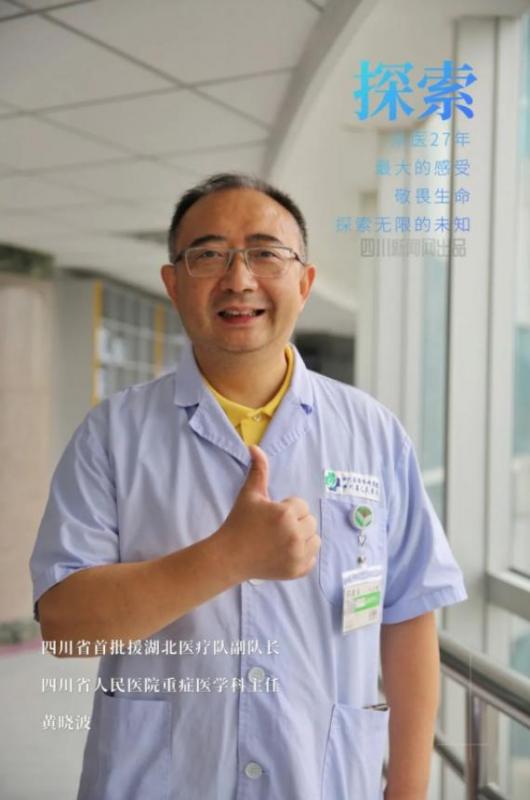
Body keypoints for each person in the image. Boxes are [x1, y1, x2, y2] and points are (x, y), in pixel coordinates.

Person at [30, 172, 467, 800]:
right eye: (209, 255)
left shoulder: (373, 433)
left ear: (304, 283)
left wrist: (408, 791)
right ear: (173, 284)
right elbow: (65, 626)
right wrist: (226, 558)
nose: (238, 279)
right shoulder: (113, 434)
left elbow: (408, 616)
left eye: (265, 254)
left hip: (322, 780)